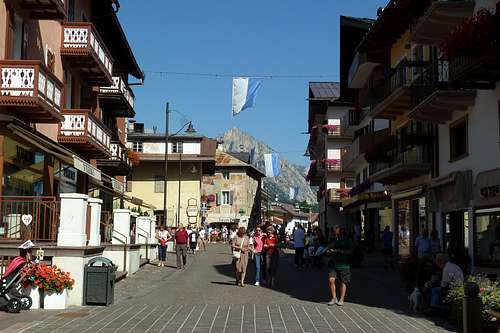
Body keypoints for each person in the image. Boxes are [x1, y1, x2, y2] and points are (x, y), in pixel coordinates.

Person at [326, 225, 353, 306]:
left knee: (343, 282)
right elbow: (327, 251)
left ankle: (341, 299)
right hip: (333, 264)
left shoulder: (347, 240)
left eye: (335, 232)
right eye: (333, 232)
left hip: (344, 265)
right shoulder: (332, 240)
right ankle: (334, 298)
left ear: (341, 231)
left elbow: (350, 252)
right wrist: (330, 252)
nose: (334, 234)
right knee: (331, 280)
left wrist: (340, 251)